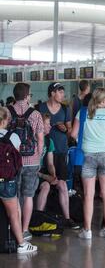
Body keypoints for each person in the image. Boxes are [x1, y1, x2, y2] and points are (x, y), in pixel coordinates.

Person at [71, 88, 105, 240]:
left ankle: (87, 230)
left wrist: (83, 142)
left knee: (88, 195)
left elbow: (73, 134)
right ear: (103, 101)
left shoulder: (82, 112)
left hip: (87, 155)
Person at [8, 83, 44, 242]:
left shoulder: (7, 113)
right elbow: (41, 139)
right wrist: (39, 158)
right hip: (31, 160)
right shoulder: (35, 114)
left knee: (14, 196)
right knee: (28, 196)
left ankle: (13, 229)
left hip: (12, 161)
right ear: (27, 95)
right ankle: (24, 230)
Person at [0, 107, 37, 254]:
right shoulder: (12, 137)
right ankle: (21, 244)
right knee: (14, 213)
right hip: (7, 181)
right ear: (5, 121)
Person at [36, 114, 79, 229]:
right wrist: (46, 177)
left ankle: (67, 218)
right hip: (33, 174)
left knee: (62, 184)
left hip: (43, 173)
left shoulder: (49, 141)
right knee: (45, 186)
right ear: (39, 125)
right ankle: (38, 220)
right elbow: (30, 169)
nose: (50, 126)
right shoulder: (33, 141)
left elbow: (50, 164)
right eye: (47, 124)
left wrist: (53, 176)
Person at [39, 82, 72, 181]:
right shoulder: (39, 108)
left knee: (61, 181)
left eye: (63, 93)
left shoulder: (65, 109)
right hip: (43, 151)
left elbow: (70, 130)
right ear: (53, 93)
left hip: (61, 150)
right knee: (44, 183)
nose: (63, 95)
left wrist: (65, 129)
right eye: (60, 92)